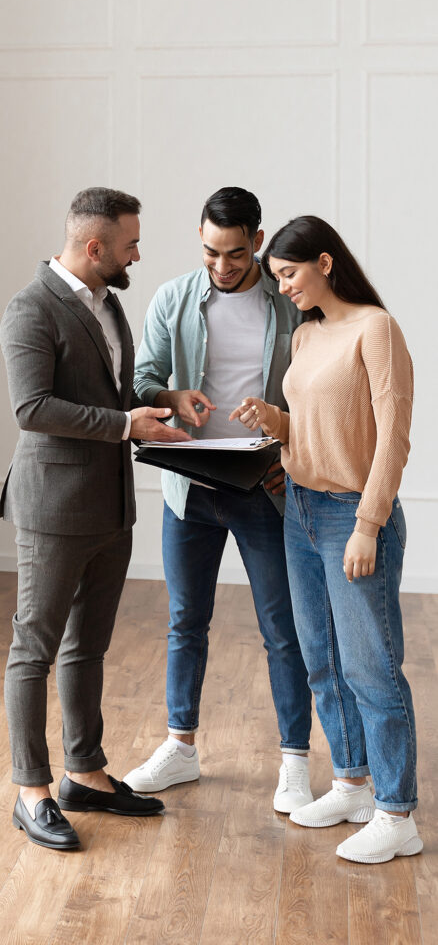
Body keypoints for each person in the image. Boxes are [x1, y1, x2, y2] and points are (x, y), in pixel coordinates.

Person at [0, 187, 190, 851]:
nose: (138, 252)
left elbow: (116, 393)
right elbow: (33, 409)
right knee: (35, 648)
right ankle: (32, 791)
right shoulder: (29, 310)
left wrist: (159, 401)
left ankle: (85, 771)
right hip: (53, 508)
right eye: (130, 243)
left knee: (89, 646)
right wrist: (122, 425)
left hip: (111, 504)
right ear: (93, 246)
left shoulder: (110, 304)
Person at [231, 215, 422, 864]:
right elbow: (312, 424)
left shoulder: (377, 329)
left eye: (288, 273)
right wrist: (273, 419)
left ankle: (397, 814)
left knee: (372, 667)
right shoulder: (309, 335)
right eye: (277, 278)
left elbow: (392, 436)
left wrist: (369, 524)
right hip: (299, 509)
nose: (282, 287)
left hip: (350, 514)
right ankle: (353, 783)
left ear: (325, 262)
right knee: (321, 659)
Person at [125, 187, 313, 812]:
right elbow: (143, 380)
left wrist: (292, 452)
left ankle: (295, 762)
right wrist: (174, 396)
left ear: (257, 241)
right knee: (186, 622)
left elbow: (318, 395)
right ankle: (180, 746)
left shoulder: (290, 305)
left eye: (234, 254)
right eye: (210, 254)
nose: (222, 267)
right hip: (191, 487)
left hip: (266, 487)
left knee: (283, 630)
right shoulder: (173, 298)